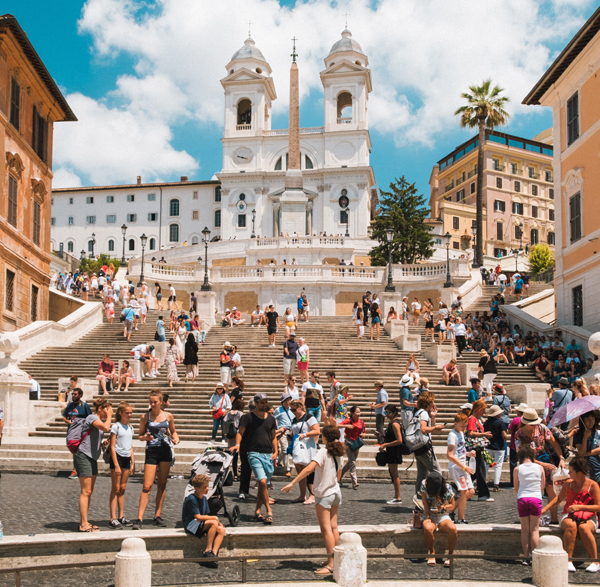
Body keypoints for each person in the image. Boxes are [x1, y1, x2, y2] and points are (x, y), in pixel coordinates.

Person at [282, 425, 345, 576]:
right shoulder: (339, 452)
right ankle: (335, 558)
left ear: (325, 437)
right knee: (334, 527)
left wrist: (292, 482)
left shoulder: (323, 451)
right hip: (336, 492)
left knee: (326, 530)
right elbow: (339, 475)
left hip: (324, 495)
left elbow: (309, 469)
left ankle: (330, 564)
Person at [541, 457, 600, 573]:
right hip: (568, 515)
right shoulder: (568, 484)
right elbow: (559, 498)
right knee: (571, 526)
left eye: (571, 471)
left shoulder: (593, 485)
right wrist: (545, 509)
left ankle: (595, 561)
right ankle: (568, 560)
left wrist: (579, 507)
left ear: (579, 473)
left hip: (588, 516)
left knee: (584, 528)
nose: (568, 473)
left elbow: (598, 506)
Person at [133, 391, 180, 530]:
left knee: (162, 484)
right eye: (151, 402)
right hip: (152, 451)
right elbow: (140, 435)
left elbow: (173, 431)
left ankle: (157, 515)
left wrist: (176, 438)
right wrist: (145, 438)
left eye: (155, 402)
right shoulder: (145, 417)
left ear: (161, 402)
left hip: (165, 450)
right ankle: (139, 518)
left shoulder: (168, 416)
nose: (152, 404)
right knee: (147, 486)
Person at [514, 408, 566, 524]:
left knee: (551, 490)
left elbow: (554, 443)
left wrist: (561, 458)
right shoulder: (519, 434)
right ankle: (531, 518)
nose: (534, 426)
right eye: (531, 424)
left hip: (545, 459)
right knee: (533, 491)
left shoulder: (542, 428)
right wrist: (542, 465)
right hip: (528, 464)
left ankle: (554, 519)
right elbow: (521, 456)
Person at [233, 393, 278, 524]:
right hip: (253, 453)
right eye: (262, 402)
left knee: (262, 485)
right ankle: (269, 511)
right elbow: (240, 432)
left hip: (268, 454)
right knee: (262, 482)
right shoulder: (248, 417)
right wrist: (237, 445)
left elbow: (273, 436)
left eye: (266, 402)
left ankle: (257, 511)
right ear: (256, 404)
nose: (264, 404)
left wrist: (276, 451)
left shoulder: (270, 419)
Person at [75, 398, 113, 532]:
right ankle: (83, 524)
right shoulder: (92, 417)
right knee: (85, 491)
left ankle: (85, 521)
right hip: (83, 456)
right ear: (100, 409)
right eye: (106, 409)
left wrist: (102, 444)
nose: (108, 412)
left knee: (89, 491)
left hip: (92, 457)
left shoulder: (97, 421)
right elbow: (106, 427)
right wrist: (109, 416)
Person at [182, 474, 226, 568]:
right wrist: (215, 518)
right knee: (213, 522)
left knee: (221, 530)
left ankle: (213, 554)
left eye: (207, 486)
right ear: (197, 488)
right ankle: (207, 550)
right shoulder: (191, 499)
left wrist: (219, 524)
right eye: (204, 487)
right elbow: (198, 517)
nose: (207, 489)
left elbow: (205, 515)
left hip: (199, 523)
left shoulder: (205, 498)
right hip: (191, 524)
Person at [513, 445, 545, 563]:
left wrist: (521, 494)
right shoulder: (540, 468)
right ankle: (535, 557)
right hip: (536, 498)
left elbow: (516, 487)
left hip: (522, 498)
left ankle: (526, 557)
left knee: (525, 529)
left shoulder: (517, 469)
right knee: (535, 530)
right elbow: (542, 486)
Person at [420, 471, 457, 567]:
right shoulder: (424, 485)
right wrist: (428, 515)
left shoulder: (448, 488)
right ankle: (432, 553)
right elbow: (425, 502)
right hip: (431, 514)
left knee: (453, 529)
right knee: (427, 527)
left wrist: (443, 507)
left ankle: (450, 555)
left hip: (443, 515)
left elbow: (453, 506)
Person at [108, 402, 135, 528]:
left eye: (130, 413)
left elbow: (130, 446)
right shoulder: (116, 427)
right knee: (116, 488)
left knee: (123, 488)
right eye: (127, 413)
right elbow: (112, 447)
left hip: (127, 458)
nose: (129, 415)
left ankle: (121, 516)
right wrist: (116, 464)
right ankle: (113, 517)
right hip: (117, 457)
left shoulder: (130, 427)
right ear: (120, 413)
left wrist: (133, 462)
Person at [288, 400, 320, 503]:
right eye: (291, 409)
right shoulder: (294, 419)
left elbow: (317, 431)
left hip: (307, 446)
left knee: (309, 470)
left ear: (300, 407)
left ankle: (312, 495)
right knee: (300, 471)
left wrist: (305, 435)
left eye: (294, 409)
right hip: (297, 447)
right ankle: (302, 495)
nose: (292, 411)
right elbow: (294, 433)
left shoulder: (309, 417)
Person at [413, 391, 445, 494]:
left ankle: (419, 498)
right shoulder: (423, 414)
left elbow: (430, 430)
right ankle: (437, 497)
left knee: (421, 475)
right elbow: (423, 429)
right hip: (424, 447)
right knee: (437, 473)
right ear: (429, 402)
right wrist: (436, 427)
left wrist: (433, 417)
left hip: (418, 447)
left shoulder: (419, 412)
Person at [447, 412, 475, 524]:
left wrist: (468, 454)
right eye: (462, 426)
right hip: (457, 467)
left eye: (465, 426)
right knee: (464, 492)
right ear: (455, 423)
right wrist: (464, 467)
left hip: (463, 466)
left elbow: (459, 451)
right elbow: (449, 455)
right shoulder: (452, 435)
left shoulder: (461, 433)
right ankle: (461, 518)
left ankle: (451, 510)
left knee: (471, 491)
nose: (464, 428)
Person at [466, 399, 493, 502]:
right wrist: (484, 434)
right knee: (480, 470)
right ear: (478, 409)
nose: (484, 412)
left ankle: (458, 487)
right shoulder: (472, 419)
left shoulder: (476, 419)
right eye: (483, 410)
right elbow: (471, 433)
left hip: (478, 448)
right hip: (475, 448)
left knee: (477, 471)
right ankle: (483, 494)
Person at [379, 404, 404, 504]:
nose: (386, 414)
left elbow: (399, 440)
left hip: (394, 451)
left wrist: (385, 445)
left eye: (388, 413)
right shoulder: (392, 423)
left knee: (395, 474)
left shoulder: (394, 424)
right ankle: (396, 496)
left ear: (394, 413)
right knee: (393, 473)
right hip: (391, 451)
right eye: (385, 412)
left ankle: (398, 497)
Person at [339, 406, 366, 490]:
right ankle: (354, 482)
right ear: (352, 413)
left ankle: (339, 476)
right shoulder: (348, 421)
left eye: (359, 412)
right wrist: (346, 426)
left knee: (350, 462)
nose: (358, 414)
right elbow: (337, 426)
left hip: (357, 443)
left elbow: (364, 432)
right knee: (353, 462)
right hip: (349, 442)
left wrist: (363, 435)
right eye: (356, 412)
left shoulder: (361, 422)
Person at [484, 405, 508, 491]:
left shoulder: (486, 422)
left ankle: (483, 483)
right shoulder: (500, 422)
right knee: (498, 466)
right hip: (499, 447)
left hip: (488, 446)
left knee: (485, 465)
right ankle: (496, 485)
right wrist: (504, 440)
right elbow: (504, 435)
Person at [574, 412, 600, 484]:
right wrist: (585, 437)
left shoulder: (597, 433)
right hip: (585, 470)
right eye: (588, 419)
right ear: (583, 420)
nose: (591, 421)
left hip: (597, 468)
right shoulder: (578, 435)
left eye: (593, 419)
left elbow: (599, 450)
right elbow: (581, 452)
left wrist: (584, 454)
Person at [274, 393, 294, 478]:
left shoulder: (292, 410)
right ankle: (287, 469)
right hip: (282, 430)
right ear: (283, 401)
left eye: (289, 400)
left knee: (285, 449)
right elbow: (274, 420)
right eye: (287, 400)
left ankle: (280, 461)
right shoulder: (278, 410)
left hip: (291, 430)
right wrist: (277, 431)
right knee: (285, 449)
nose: (289, 401)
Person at [225, 399, 245, 480]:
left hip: (230, 435)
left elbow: (224, 421)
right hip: (238, 434)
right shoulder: (240, 413)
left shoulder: (229, 413)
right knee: (242, 454)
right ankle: (241, 467)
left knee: (234, 456)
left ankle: (235, 475)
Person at [508, 403, 528, 485]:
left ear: (519, 412)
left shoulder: (515, 420)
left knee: (513, 464)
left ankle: (513, 481)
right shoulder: (528, 420)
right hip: (525, 445)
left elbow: (509, 431)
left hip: (514, 444)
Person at [369, 380, 388, 444]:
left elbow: (383, 402)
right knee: (380, 426)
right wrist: (375, 404)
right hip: (381, 411)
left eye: (375, 386)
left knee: (379, 427)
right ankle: (381, 441)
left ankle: (381, 442)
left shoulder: (381, 393)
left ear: (378, 386)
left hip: (380, 412)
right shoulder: (382, 392)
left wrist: (374, 406)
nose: (375, 388)